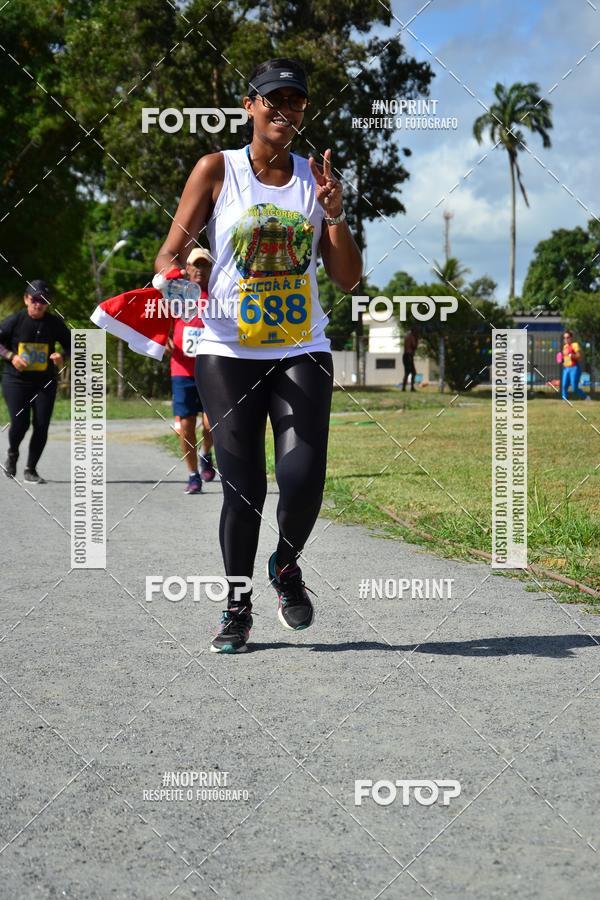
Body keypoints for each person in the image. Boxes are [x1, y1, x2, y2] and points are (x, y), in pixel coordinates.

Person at [155, 57, 363, 653]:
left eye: (295, 101)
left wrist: (335, 215)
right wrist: (187, 270)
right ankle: (236, 606)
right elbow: (168, 257)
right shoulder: (216, 170)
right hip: (226, 348)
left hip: (301, 347)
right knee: (243, 486)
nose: (285, 110)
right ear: (249, 106)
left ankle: (286, 565)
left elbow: (347, 279)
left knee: (302, 478)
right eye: (273, 99)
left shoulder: (314, 180)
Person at [0, 280, 70, 482]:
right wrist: (12, 357)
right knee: (20, 423)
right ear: (26, 299)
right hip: (16, 381)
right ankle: (13, 453)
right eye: (34, 299)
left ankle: (31, 469)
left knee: (41, 425)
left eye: (43, 300)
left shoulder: (54, 323)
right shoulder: (15, 321)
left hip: (44, 382)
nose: (38, 304)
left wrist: (62, 357)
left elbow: (73, 345)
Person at [168, 248, 216, 493]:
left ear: (211, 268)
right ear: (187, 269)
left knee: (211, 424)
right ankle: (192, 474)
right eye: (195, 265)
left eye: (205, 265)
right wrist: (163, 341)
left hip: (211, 370)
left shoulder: (219, 294)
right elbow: (159, 320)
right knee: (186, 426)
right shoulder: (176, 294)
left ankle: (206, 454)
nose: (200, 269)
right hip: (182, 369)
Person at [558, 330, 589, 401]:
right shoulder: (565, 347)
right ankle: (565, 399)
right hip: (566, 368)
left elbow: (579, 356)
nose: (565, 339)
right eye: (564, 338)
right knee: (564, 385)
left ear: (571, 338)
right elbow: (565, 358)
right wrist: (561, 359)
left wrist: (571, 355)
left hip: (574, 368)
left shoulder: (575, 345)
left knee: (574, 387)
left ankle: (585, 397)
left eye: (567, 337)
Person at [402, 327, 418, 391]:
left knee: (407, 372)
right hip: (409, 356)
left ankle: (404, 387)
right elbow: (414, 345)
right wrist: (416, 340)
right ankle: (411, 387)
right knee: (412, 372)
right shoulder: (411, 337)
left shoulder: (407, 337)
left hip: (405, 356)